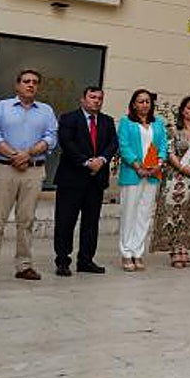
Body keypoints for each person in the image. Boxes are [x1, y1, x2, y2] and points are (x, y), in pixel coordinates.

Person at [0, 69, 58, 283]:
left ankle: (24, 266)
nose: (30, 85)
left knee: (27, 220)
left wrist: (28, 154)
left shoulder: (46, 111)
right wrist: (15, 156)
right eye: (26, 81)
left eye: (35, 82)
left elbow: (51, 137)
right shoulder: (1, 107)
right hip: (4, 169)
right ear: (17, 85)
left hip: (33, 170)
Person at [53, 86, 117, 276]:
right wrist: (87, 162)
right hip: (72, 179)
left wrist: (102, 160)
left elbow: (113, 143)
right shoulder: (68, 118)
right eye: (92, 97)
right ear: (83, 100)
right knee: (65, 221)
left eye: (99, 98)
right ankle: (62, 261)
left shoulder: (107, 121)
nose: (96, 101)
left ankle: (86, 260)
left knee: (91, 223)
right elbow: (67, 143)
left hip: (96, 180)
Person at [150, 96, 190, 267]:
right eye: (189, 108)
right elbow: (169, 152)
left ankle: (184, 247)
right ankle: (174, 249)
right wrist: (183, 168)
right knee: (174, 213)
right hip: (176, 178)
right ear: (182, 110)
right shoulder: (173, 130)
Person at [116, 89, 169, 272]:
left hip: (152, 173)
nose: (144, 104)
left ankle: (137, 252)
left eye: (147, 101)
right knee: (129, 213)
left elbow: (163, 145)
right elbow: (124, 146)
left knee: (144, 215)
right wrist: (137, 166)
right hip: (133, 173)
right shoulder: (126, 122)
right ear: (133, 104)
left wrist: (159, 164)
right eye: (140, 101)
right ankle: (126, 253)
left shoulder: (158, 123)